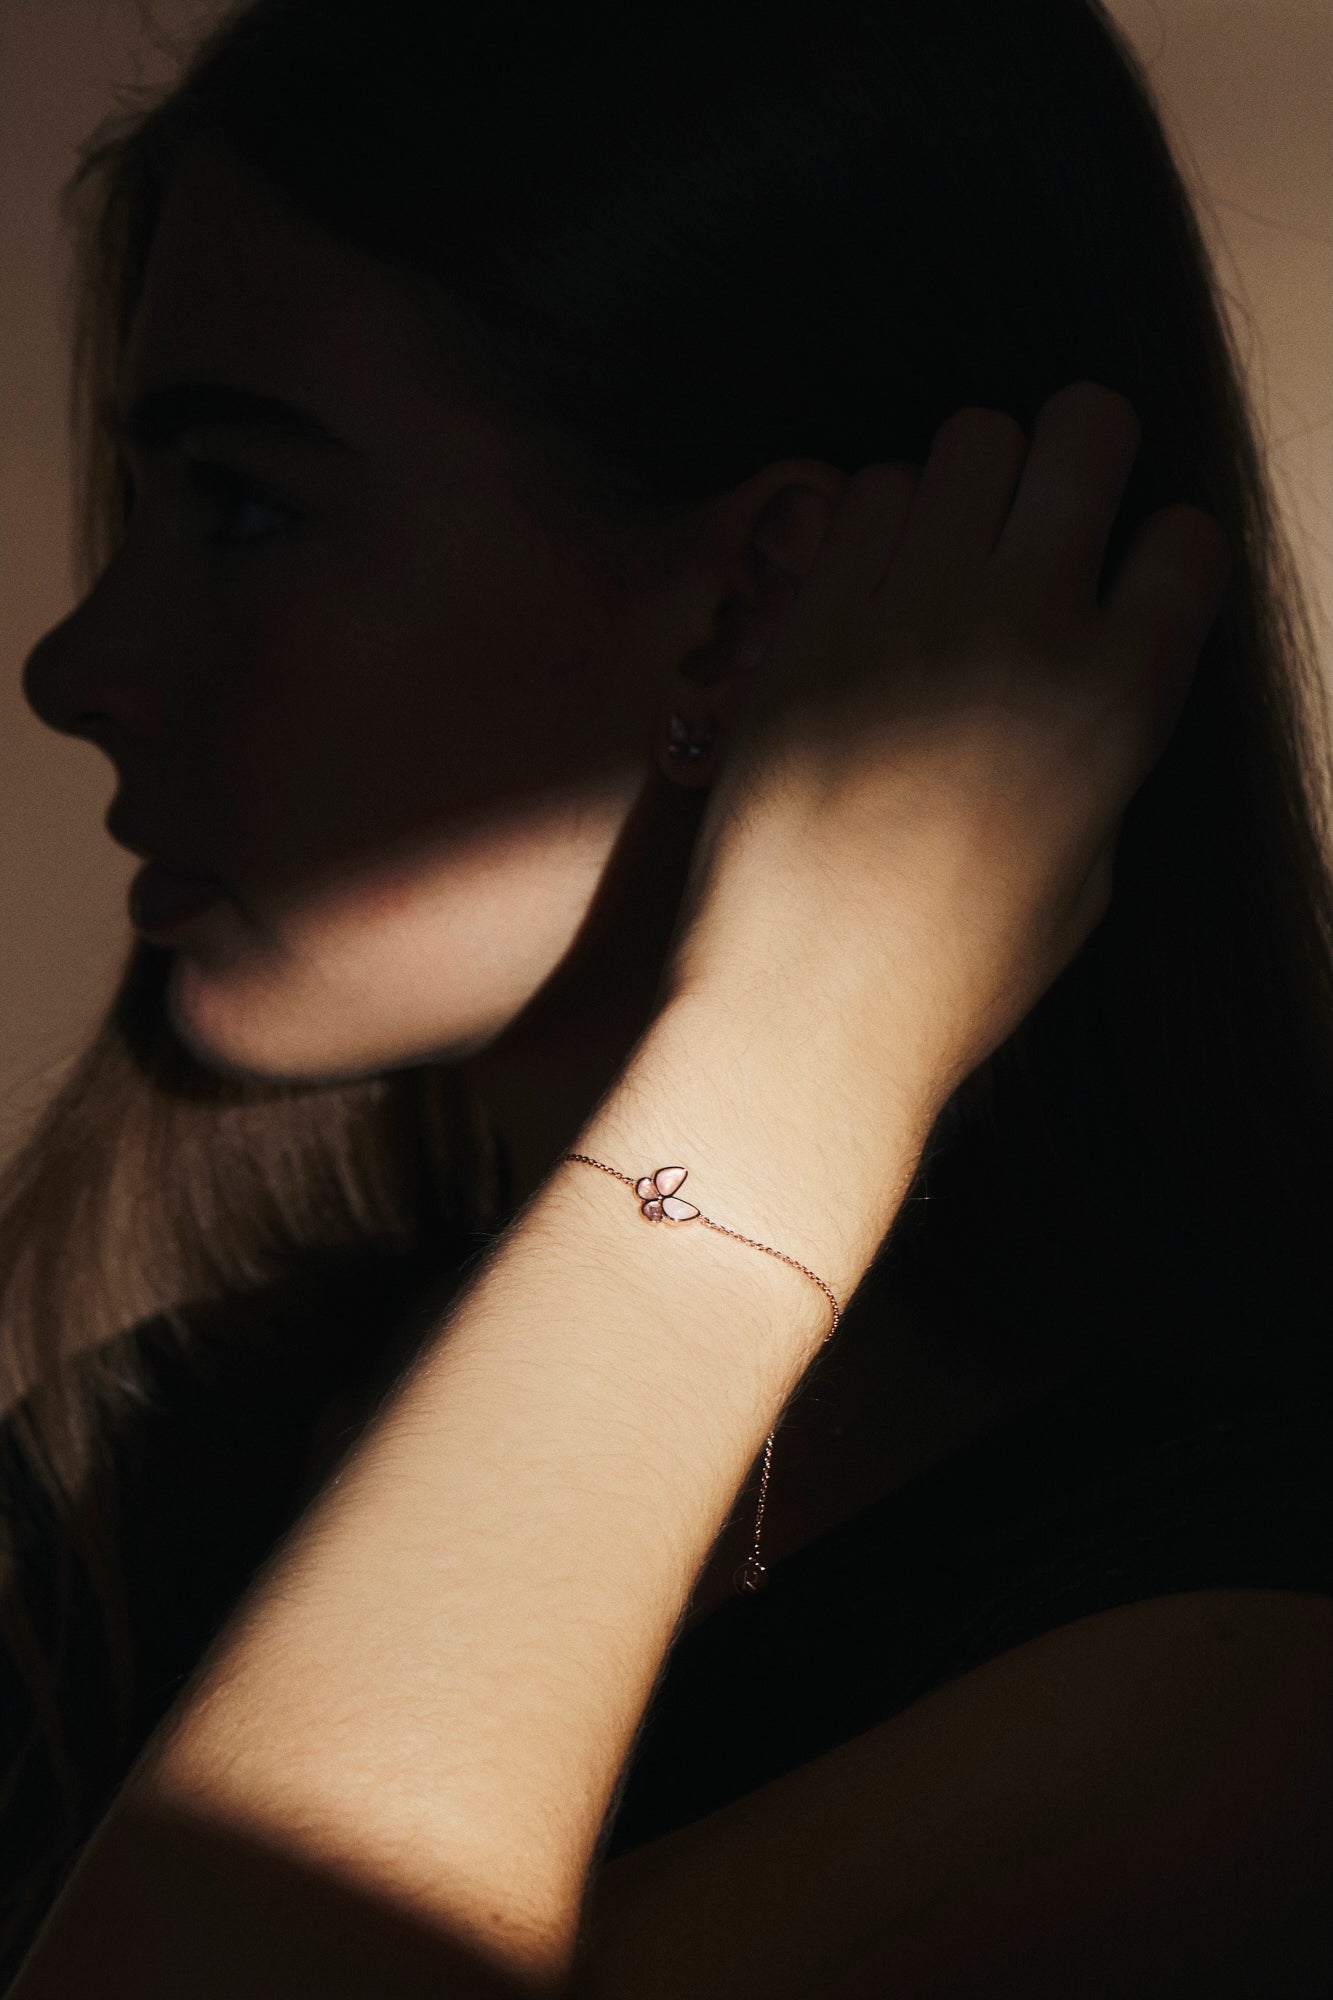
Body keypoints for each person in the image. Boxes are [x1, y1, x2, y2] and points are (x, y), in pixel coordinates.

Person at [3, 0, 1331, 1990]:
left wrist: (793, 1059)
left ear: (752, 598)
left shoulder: (1237, 1673)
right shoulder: (150, 1461)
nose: (76, 669)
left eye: (247, 509)